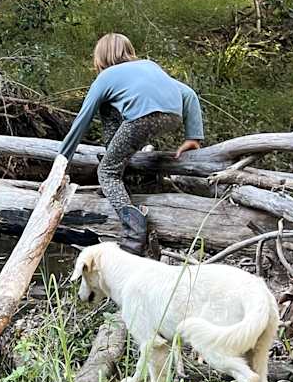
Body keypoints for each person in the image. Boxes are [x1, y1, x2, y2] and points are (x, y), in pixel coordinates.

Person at [57, 33, 205, 254]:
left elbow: (82, 121)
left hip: (140, 118)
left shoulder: (106, 76)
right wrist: (193, 138)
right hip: (172, 116)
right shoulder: (148, 66)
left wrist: (59, 167)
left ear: (100, 58)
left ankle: (134, 235)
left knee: (106, 172)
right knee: (108, 107)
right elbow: (190, 95)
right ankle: (121, 169)